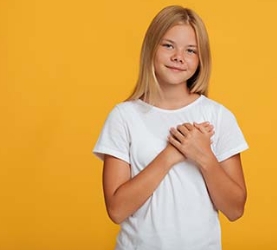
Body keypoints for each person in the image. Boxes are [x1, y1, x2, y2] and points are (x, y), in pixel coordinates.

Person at [93, 5, 248, 250]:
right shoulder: (124, 117)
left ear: (200, 59)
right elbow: (116, 209)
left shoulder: (217, 116)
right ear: (151, 48)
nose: (178, 56)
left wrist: (204, 156)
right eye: (168, 45)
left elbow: (235, 208)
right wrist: (171, 154)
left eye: (190, 50)